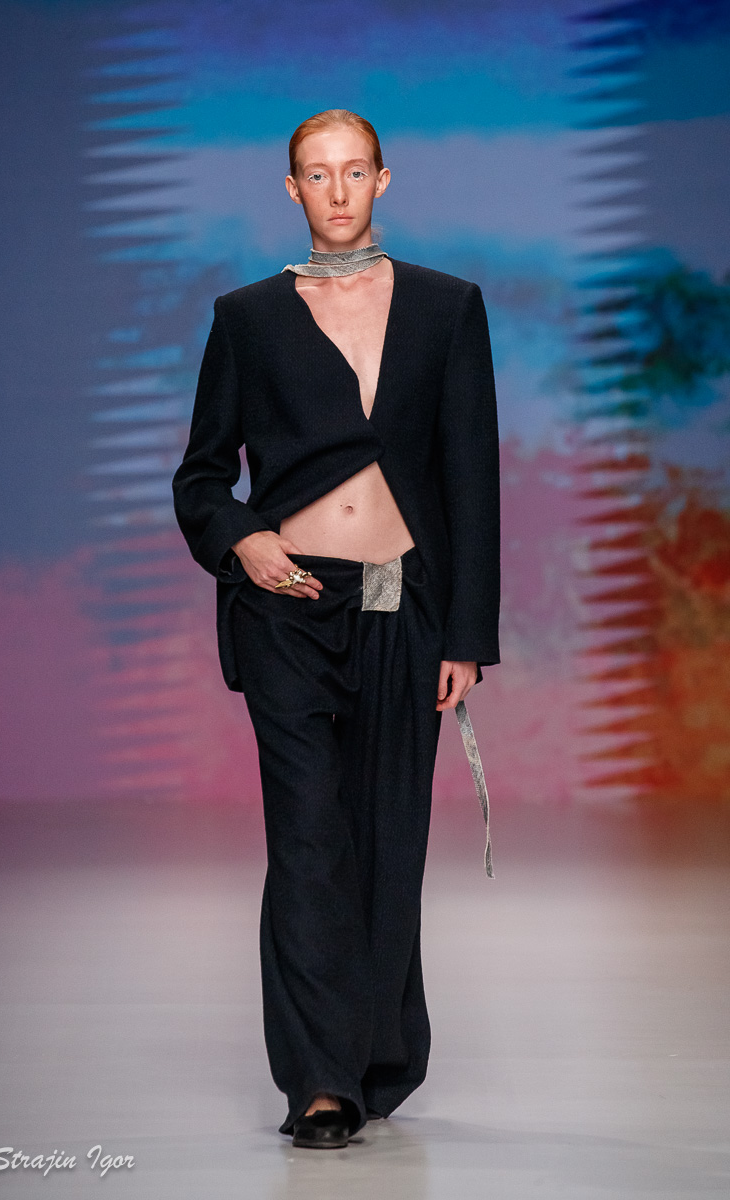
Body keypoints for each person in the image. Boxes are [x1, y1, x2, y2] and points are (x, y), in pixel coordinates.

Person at [172, 109, 500, 1149]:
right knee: (309, 836)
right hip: (289, 608)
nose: (338, 190)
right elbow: (200, 476)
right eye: (317, 175)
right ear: (292, 190)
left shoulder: (447, 308)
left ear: (382, 179)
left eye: (354, 171)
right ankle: (319, 1082)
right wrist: (242, 541)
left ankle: (374, 1055)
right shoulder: (248, 318)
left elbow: (470, 478)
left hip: (404, 606)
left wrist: (466, 637)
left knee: (387, 839)